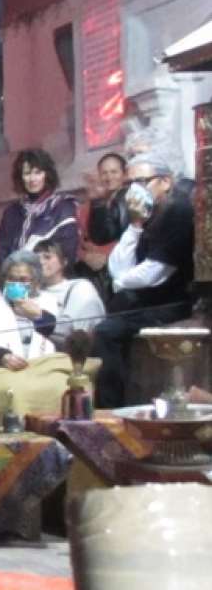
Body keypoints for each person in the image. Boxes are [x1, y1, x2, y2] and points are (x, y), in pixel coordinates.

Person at [93, 153, 197, 408]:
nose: (134, 190)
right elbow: (117, 265)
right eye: (130, 184)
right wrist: (135, 224)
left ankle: (112, 407)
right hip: (145, 300)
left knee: (107, 331)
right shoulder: (145, 213)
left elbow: (156, 272)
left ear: (165, 181)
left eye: (141, 181)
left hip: (173, 302)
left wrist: (120, 282)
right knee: (109, 316)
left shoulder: (178, 211)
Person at [0, 250, 60, 370]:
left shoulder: (50, 302)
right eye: (11, 279)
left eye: (23, 280)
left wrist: (39, 316)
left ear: (36, 282)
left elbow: (64, 338)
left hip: (42, 370)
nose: (16, 285)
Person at [0, 149, 80, 276]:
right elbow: (1, 252)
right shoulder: (11, 212)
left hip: (51, 280)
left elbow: (67, 252)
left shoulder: (63, 207)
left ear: (47, 174)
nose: (32, 179)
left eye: (38, 172)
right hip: (15, 280)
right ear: (20, 177)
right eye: (27, 173)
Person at [34, 237, 106, 350]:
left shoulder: (80, 287)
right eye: (35, 259)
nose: (41, 262)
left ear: (64, 262)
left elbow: (71, 331)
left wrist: (35, 315)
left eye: (47, 257)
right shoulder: (32, 293)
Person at [85, 150, 130, 247]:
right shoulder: (105, 200)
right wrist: (97, 201)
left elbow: (104, 237)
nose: (109, 177)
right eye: (104, 173)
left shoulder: (125, 199)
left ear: (124, 173)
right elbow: (97, 237)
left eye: (114, 172)